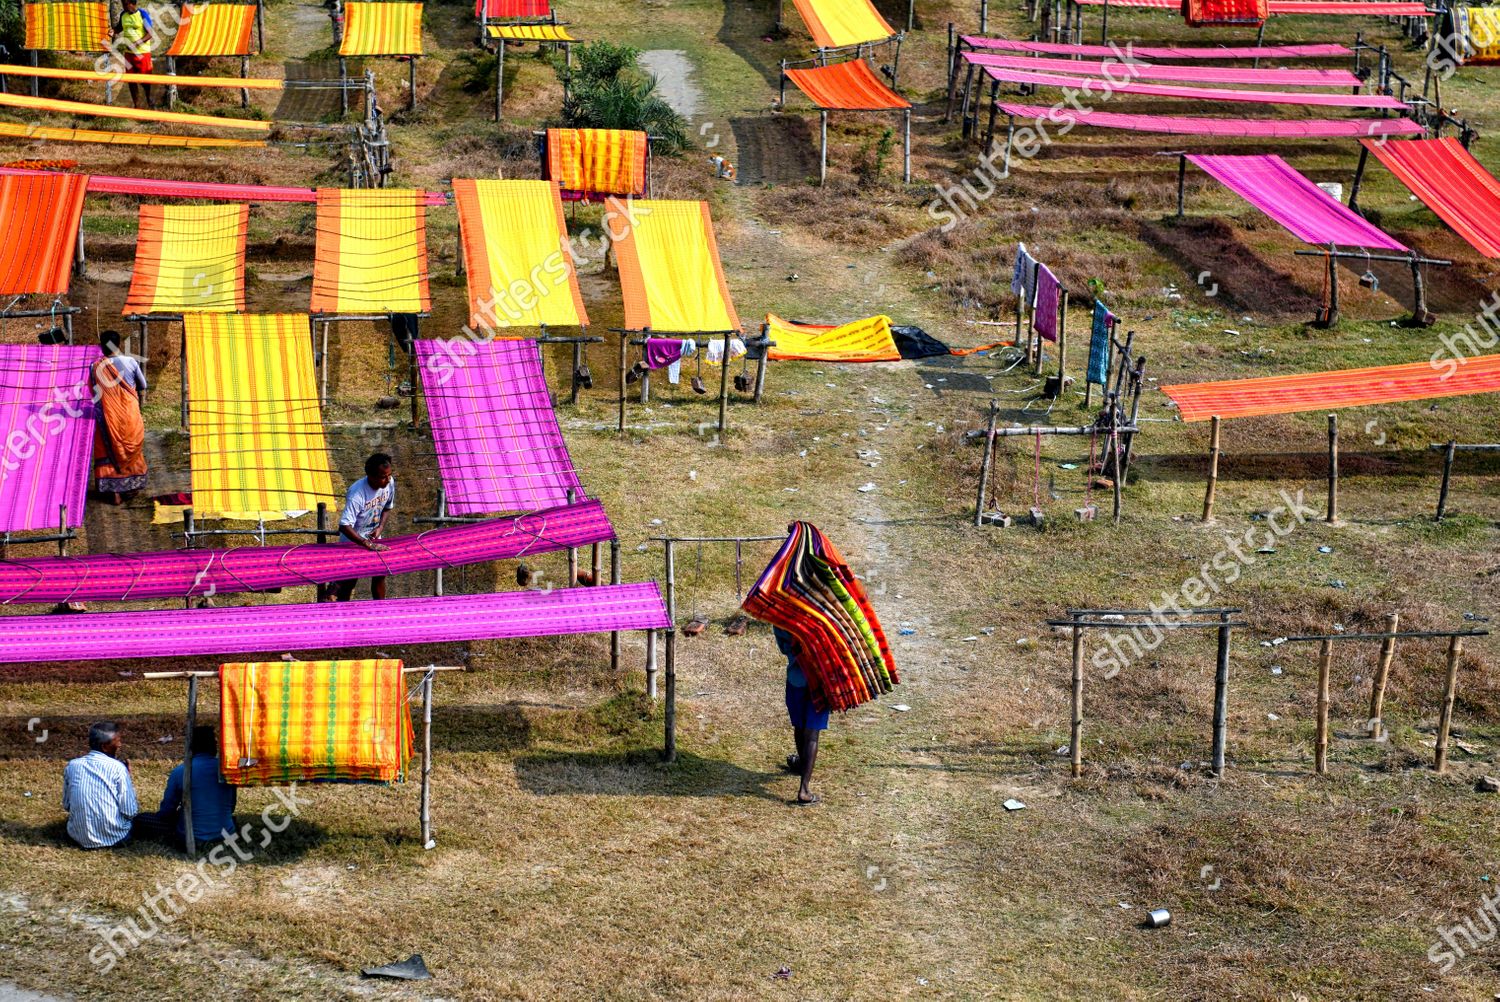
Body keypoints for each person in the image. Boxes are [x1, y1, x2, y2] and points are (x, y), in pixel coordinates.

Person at [150, 725, 237, 850]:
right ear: (214, 746)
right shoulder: (227, 771)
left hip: (192, 835)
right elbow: (231, 806)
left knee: (142, 819)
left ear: (190, 747)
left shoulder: (181, 772)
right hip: (226, 834)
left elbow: (167, 811)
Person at [325, 452, 395, 602]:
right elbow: (344, 525)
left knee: (380, 574)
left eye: (389, 475)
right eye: (383, 477)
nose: (388, 479)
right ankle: (343, 609)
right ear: (371, 476)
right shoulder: (357, 494)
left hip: (373, 539)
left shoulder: (389, 483)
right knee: (350, 581)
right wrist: (365, 544)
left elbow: (387, 508)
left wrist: (380, 528)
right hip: (353, 542)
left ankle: (380, 608)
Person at [91, 330, 148, 505]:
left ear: (102, 347)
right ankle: (130, 486)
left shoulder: (95, 367)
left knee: (109, 449)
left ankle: (114, 491)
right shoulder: (130, 362)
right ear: (119, 344)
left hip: (108, 416)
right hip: (130, 414)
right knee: (130, 447)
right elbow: (143, 385)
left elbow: (93, 391)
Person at [62, 722, 138, 849]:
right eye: (117, 741)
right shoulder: (118, 768)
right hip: (116, 838)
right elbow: (130, 811)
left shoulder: (72, 765)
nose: (120, 745)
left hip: (77, 837)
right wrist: (127, 778)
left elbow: (67, 805)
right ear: (104, 747)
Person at [776, 627, 826, 806]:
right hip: (819, 681)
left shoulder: (782, 620)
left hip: (795, 678)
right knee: (812, 734)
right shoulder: (822, 618)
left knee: (799, 725)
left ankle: (802, 765)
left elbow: (783, 647)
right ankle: (804, 790)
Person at [110, 0, 157, 110]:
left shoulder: (142, 14)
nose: (124, 7)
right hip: (129, 54)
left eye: (126, 4)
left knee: (146, 80)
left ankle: (149, 100)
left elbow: (150, 34)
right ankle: (137, 105)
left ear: (133, 3)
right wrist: (114, 31)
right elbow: (120, 27)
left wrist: (136, 44)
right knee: (131, 81)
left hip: (143, 53)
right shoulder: (123, 14)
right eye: (123, 4)